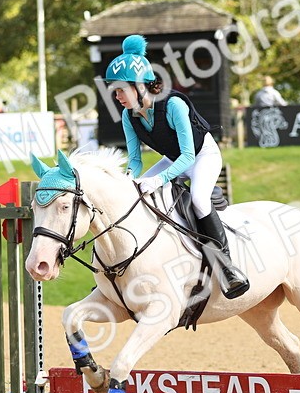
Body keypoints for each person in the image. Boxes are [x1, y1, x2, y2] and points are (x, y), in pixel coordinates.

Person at [105, 34, 249, 299]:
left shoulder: (174, 105)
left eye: (120, 90)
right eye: (114, 91)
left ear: (139, 86)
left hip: (201, 155)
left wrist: (159, 181)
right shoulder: (129, 115)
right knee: (134, 195)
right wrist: (128, 181)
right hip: (174, 160)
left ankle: (227, 267)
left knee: (199, 200)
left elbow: (188, 157)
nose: (117, 96)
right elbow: (135, 160)